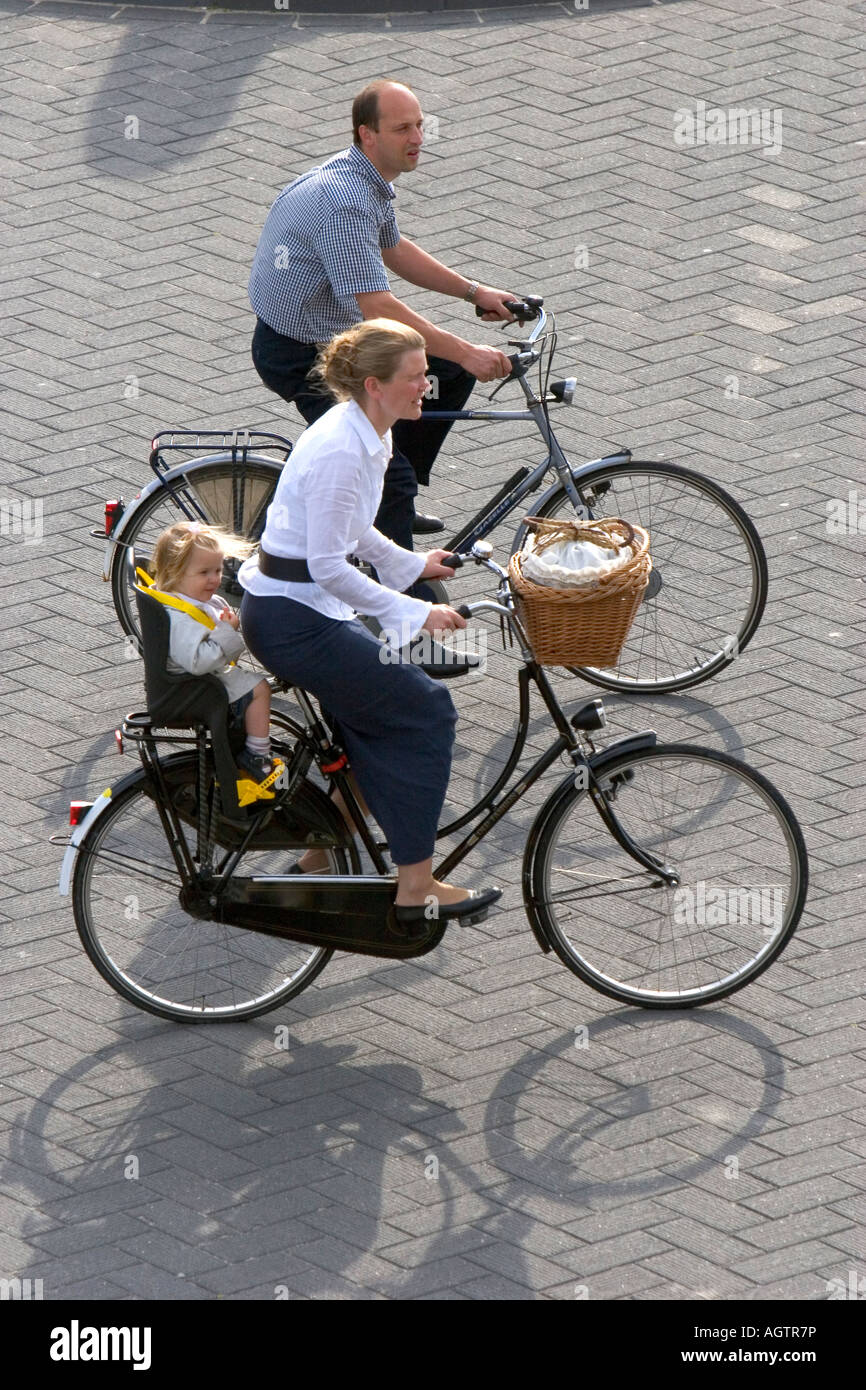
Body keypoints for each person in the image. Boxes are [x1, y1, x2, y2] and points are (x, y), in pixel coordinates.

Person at [238, 319, 501, 927]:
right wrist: (415, 609)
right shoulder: (340, 449)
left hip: (307, 610)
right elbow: (330, 566)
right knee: (427, 710)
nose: (427, 386)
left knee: (371, 724)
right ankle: (415, 884)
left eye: (425, 374)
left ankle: (316, 856)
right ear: (375, 385)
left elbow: (354, 531)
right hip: (292, 621)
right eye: (415, 378)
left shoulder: (371, 434)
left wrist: (410, 565)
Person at [248, 77, 521, 563]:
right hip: (301, 354)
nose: (417, 137)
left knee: (446, 376)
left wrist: (475, 293)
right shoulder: (347, 201)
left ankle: (385, 501)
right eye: (402, 128)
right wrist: (467, 348)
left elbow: (393, 248)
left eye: (419, 125)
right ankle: (408, 610)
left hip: (333, 337)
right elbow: (378, 306)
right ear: (367, 134)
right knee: (391, 468)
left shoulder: (365, 180)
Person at [147, 521, 278, 792]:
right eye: (204, 572)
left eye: (218, 570)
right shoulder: (178, 618)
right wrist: (227, 632)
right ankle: (257, 754)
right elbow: (199, 661)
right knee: (260, 689)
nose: (214, 579)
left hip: (201, 678)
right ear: (175, 572)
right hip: (197, 685)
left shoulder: (184, 599)